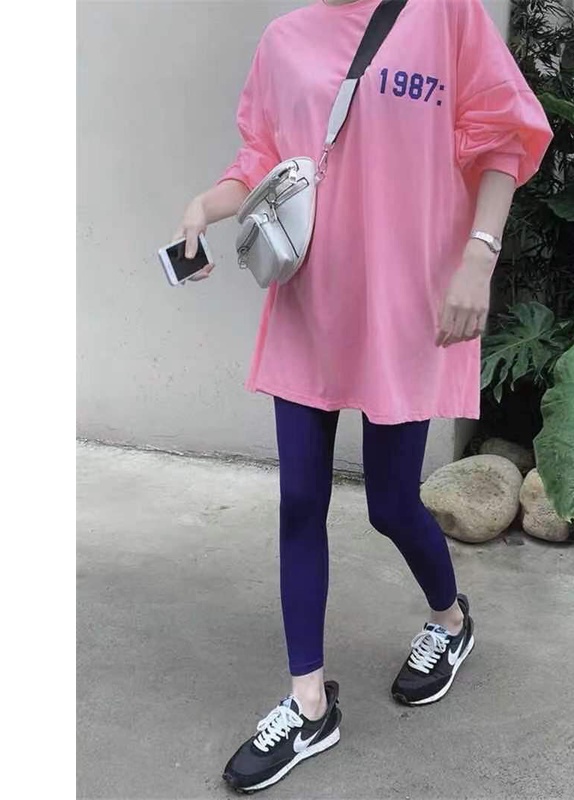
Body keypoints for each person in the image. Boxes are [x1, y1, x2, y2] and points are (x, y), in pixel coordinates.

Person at [172, 0, 552, 793]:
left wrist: (478, 259)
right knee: (299, 501)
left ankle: (450, 620)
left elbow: (503, 138)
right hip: (309, 305)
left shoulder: (444, 14)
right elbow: (263, 159)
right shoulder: (285, 40)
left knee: (390, 504)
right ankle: (308, 703)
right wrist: (204, 208)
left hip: (404, 310)